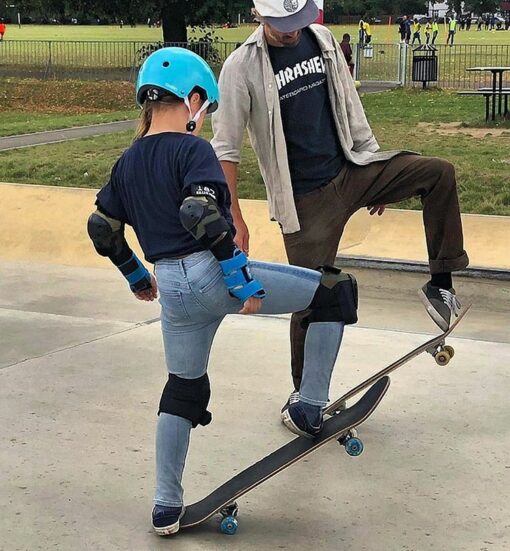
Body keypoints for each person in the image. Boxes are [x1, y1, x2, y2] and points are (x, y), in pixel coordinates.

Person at [87, 46, 358, 536]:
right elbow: (201, 215)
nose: (204, 117)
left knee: (184, 388)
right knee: (334, 291)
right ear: (192, 99)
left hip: (171, 289)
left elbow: (102, 228)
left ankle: (166, 506)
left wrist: (136, 276)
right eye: (205, 107)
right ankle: (309, 407)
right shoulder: (194, 151)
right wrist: (240, 280)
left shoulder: (127, 162)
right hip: (212, 274)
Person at [212, 0, 468, 418]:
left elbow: (350, 105)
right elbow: (226, 150)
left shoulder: (323, 40)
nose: (292, 31)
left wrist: (373, 164)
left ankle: (441, 284)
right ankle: (304, 398)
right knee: (312, 296)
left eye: (298, 21)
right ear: (260, 16)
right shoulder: (241, 67)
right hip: (305, 200)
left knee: (438, 173)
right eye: (282, 25)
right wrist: (233, 217)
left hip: (353, 169)